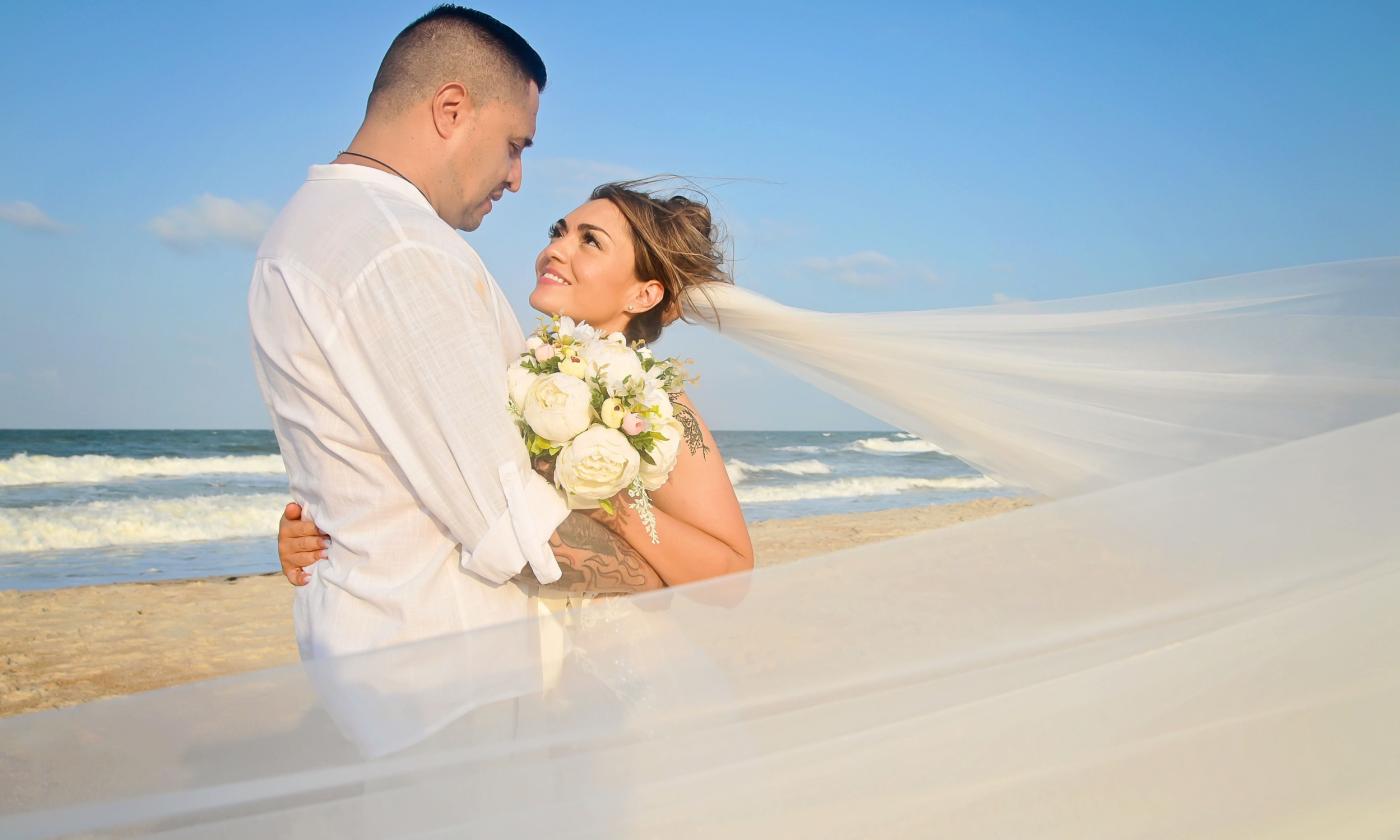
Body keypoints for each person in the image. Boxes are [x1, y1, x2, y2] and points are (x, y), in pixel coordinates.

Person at [249, 6, 668, 661]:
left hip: (373, 648)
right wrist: (690, 577)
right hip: (443, 674)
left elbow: (359, 456)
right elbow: (509, 525)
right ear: (451, 109)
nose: (516, 177)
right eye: (514, 144)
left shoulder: (298, 233)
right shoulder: (400, 248)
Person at [277, 181, 756, 593]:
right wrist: (322, 529)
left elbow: (733, 573)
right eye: (559, 232)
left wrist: (609, 501)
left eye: (590, 242)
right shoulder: (515, 368)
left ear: (643, 293)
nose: (556, 249)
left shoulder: (659, 405)